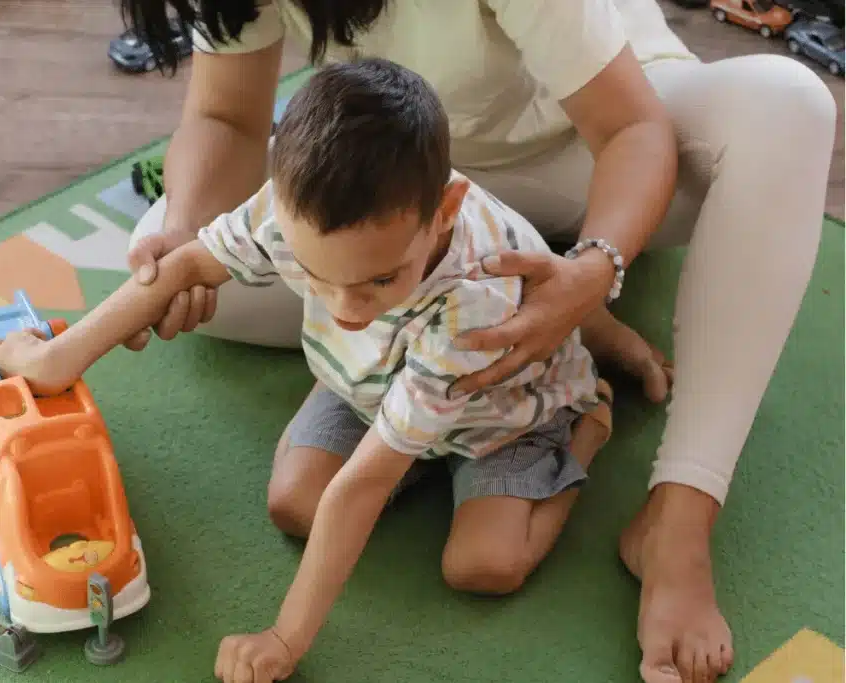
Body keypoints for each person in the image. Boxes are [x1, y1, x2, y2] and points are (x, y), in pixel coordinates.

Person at [118, 1, 838, 681]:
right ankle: (392, 344)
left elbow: (633, 130)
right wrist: (186, 225)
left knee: (790, 109)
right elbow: (225, 117)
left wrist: (593, 270)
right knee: (161, 251)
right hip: (405, 208)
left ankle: (677, 517)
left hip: (589, 157)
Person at [0, 58, 621, 683]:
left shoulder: (472, 309)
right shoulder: (297, 200)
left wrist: (285, 637)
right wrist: (53, 359)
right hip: (380, 383)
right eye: (317, 277)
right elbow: (182, 267)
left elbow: (363, 488)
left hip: (502, 415)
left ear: (445, 211)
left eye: (378, 279)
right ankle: (394, 406)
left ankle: (587, 422)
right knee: (294, 504)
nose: (344, 311)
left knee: (483, 566)